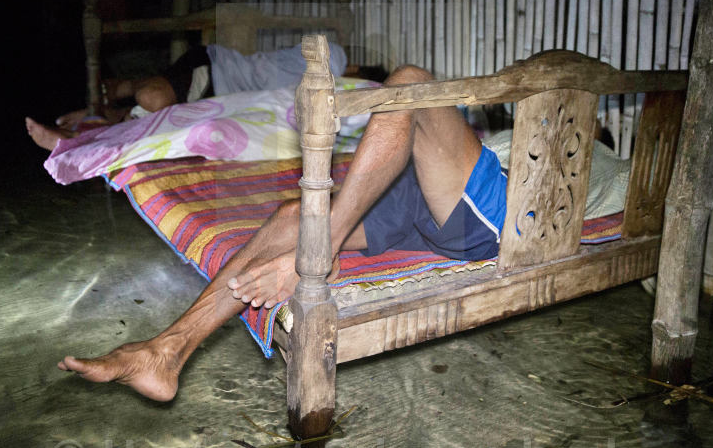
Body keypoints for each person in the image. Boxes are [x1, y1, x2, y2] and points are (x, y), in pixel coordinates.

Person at [56, 63, 506, 401]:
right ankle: (168, 350)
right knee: (293, 216)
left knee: (408, 79)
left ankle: (318, 253)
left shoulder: (524, 149)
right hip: (418, 203)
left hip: (479, 210)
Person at [25, 41, 367, 151]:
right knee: (152, 97)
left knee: (154, 123)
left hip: (222, 104)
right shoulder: (333, 56)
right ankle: (121, 89)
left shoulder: (326, 99)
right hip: (215, 69)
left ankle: (83, 132)